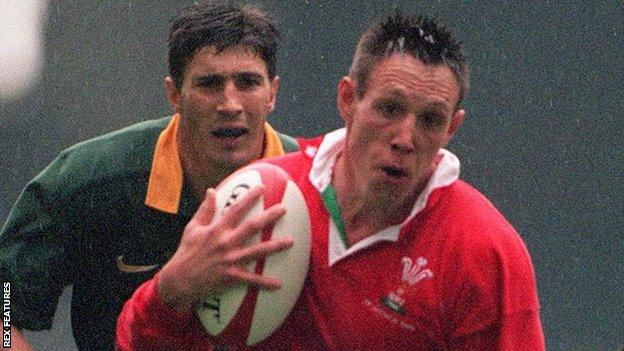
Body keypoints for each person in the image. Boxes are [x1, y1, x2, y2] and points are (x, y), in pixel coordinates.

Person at [116, 10, 546, 350]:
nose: (405, 139)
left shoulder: (485, 251)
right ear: (348, 99)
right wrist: (172, 291)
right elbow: (137, 342)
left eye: (430, 120)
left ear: (452, 128)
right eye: (389, 108)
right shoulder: (261, 198)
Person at [0, 1, 299, 350]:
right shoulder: (92, 181)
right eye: (210, 84)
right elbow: (4, 306)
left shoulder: (314, 184)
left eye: (247, 83)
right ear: (174, 94)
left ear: (273, 93)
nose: (230, 104)